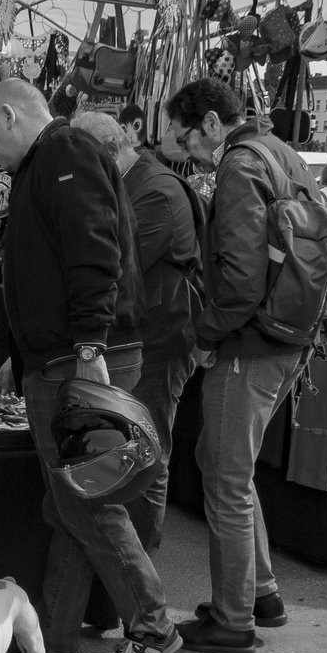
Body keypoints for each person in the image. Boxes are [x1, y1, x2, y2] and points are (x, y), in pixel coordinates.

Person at [0, 79, 182, 653]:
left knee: (88, 502)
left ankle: (152, 627)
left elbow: (93, 251)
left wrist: (90, 345)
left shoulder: (62, 152)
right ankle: (58, 641)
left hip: (84, 358)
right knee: (71, 503)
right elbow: (50, 264)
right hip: (66, 356)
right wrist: (24, 353)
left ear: (12, 116)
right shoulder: (50, 160)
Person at [166, 78, 323, 653]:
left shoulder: (238, 166)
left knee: (226, 478)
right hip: (289, 335)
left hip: (250, 343)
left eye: (186, 137)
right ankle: (262, 593)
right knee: (222, 460)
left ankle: (233, 621)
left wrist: (205, 338)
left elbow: (236, 283)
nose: (187, 150)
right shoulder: (280, 151)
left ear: (210, 121)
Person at [71, 111, 203, 555]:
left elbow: (117, 266)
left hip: (159, 341)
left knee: (148, 453)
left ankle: (141, 560)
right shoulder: (137, 183)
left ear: (108, 152)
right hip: (144, 338)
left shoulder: (156, 191)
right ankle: (129, 568)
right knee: (132, 449)